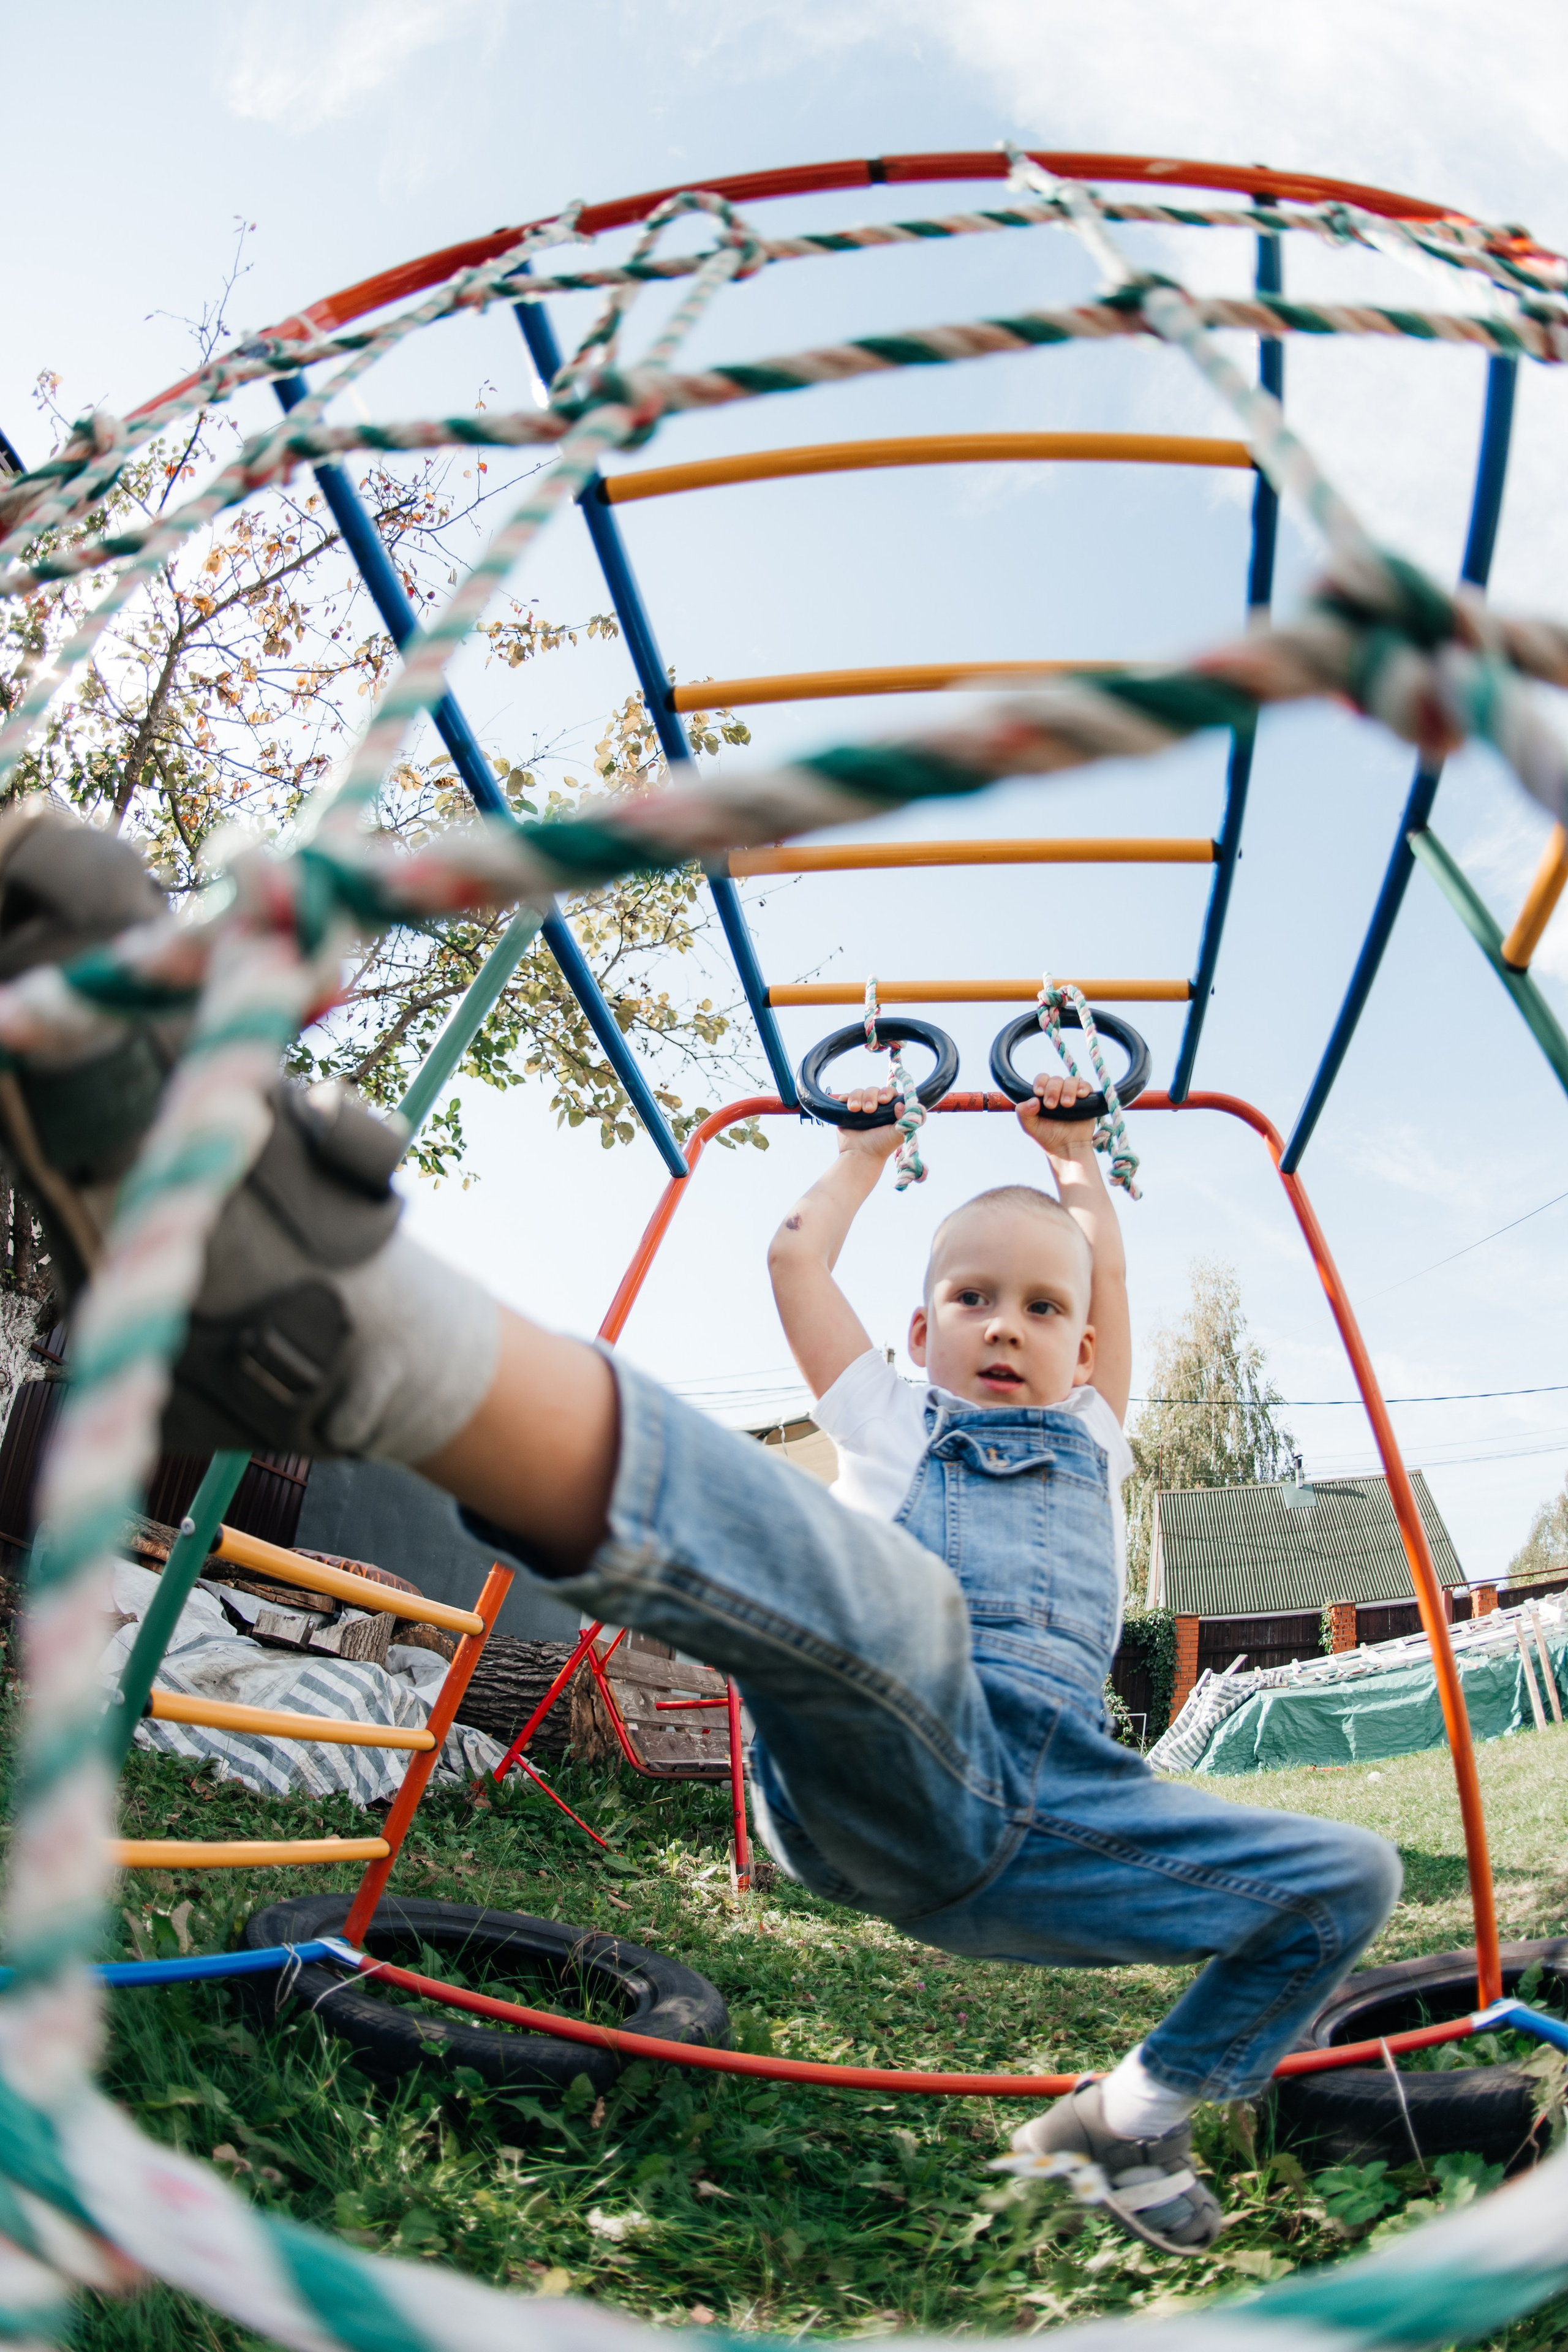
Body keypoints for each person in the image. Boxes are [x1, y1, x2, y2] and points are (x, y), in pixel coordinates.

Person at [0, 804, 1402, 2258]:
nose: (1006, 1326)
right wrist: (863, 1153)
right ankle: (344, 1325)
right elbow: (796, 1255)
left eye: (1042, 1310)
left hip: (1054, 1822)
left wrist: (1073, 1161)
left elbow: (1106, 1272)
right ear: (918, 1330)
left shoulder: (1096, 1429)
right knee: (897, 1600)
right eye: (971, 1300)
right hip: (868, 1774)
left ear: (1085, 1343)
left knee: (1341, 1882)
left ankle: (1123, 2121)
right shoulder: (894, 1414)